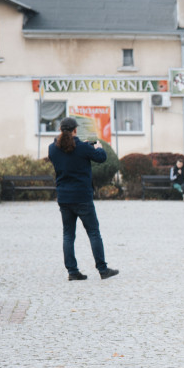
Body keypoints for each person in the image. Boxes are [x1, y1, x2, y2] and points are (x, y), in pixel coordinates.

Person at [47, 117, 119, 281]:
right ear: (75, 130)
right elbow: (101, 158)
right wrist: (98, 147)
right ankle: (103, 269)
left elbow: (62, 150)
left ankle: (72, 272)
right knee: (93, 232)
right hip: (82, 197)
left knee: (68, 235)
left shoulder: (52, 148)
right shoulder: (83, 147)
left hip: (64, 198)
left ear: (60, 130)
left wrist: (81, 145)